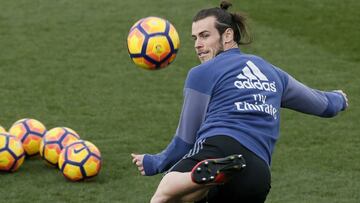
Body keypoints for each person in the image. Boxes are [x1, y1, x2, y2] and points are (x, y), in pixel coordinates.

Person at [131, 1, 349, 202]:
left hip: (219, 149)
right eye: (195, 38)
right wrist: (339, 98)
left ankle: (205, 176)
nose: (198, 44)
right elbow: (323, 105)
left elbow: (185, 140)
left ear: (227, 36)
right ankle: (209, 178)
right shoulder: (273, 74)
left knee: (164, 195)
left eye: (205, 35)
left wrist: (154, 162)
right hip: (258, 174)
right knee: (189, 198)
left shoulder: (203, 72)